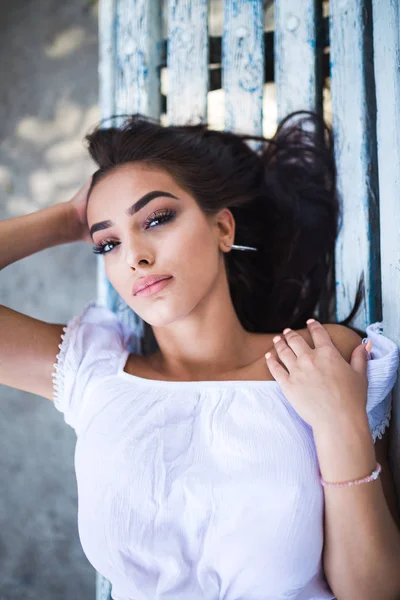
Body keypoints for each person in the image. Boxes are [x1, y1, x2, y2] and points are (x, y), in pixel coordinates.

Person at [1, 111, 400, 600]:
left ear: (223, 229)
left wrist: (341, 425)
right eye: (107, 242)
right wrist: (64, 220)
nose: (135, 256)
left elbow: (374, 593)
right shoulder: (93, 373)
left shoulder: (317, 359)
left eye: (158, 218)